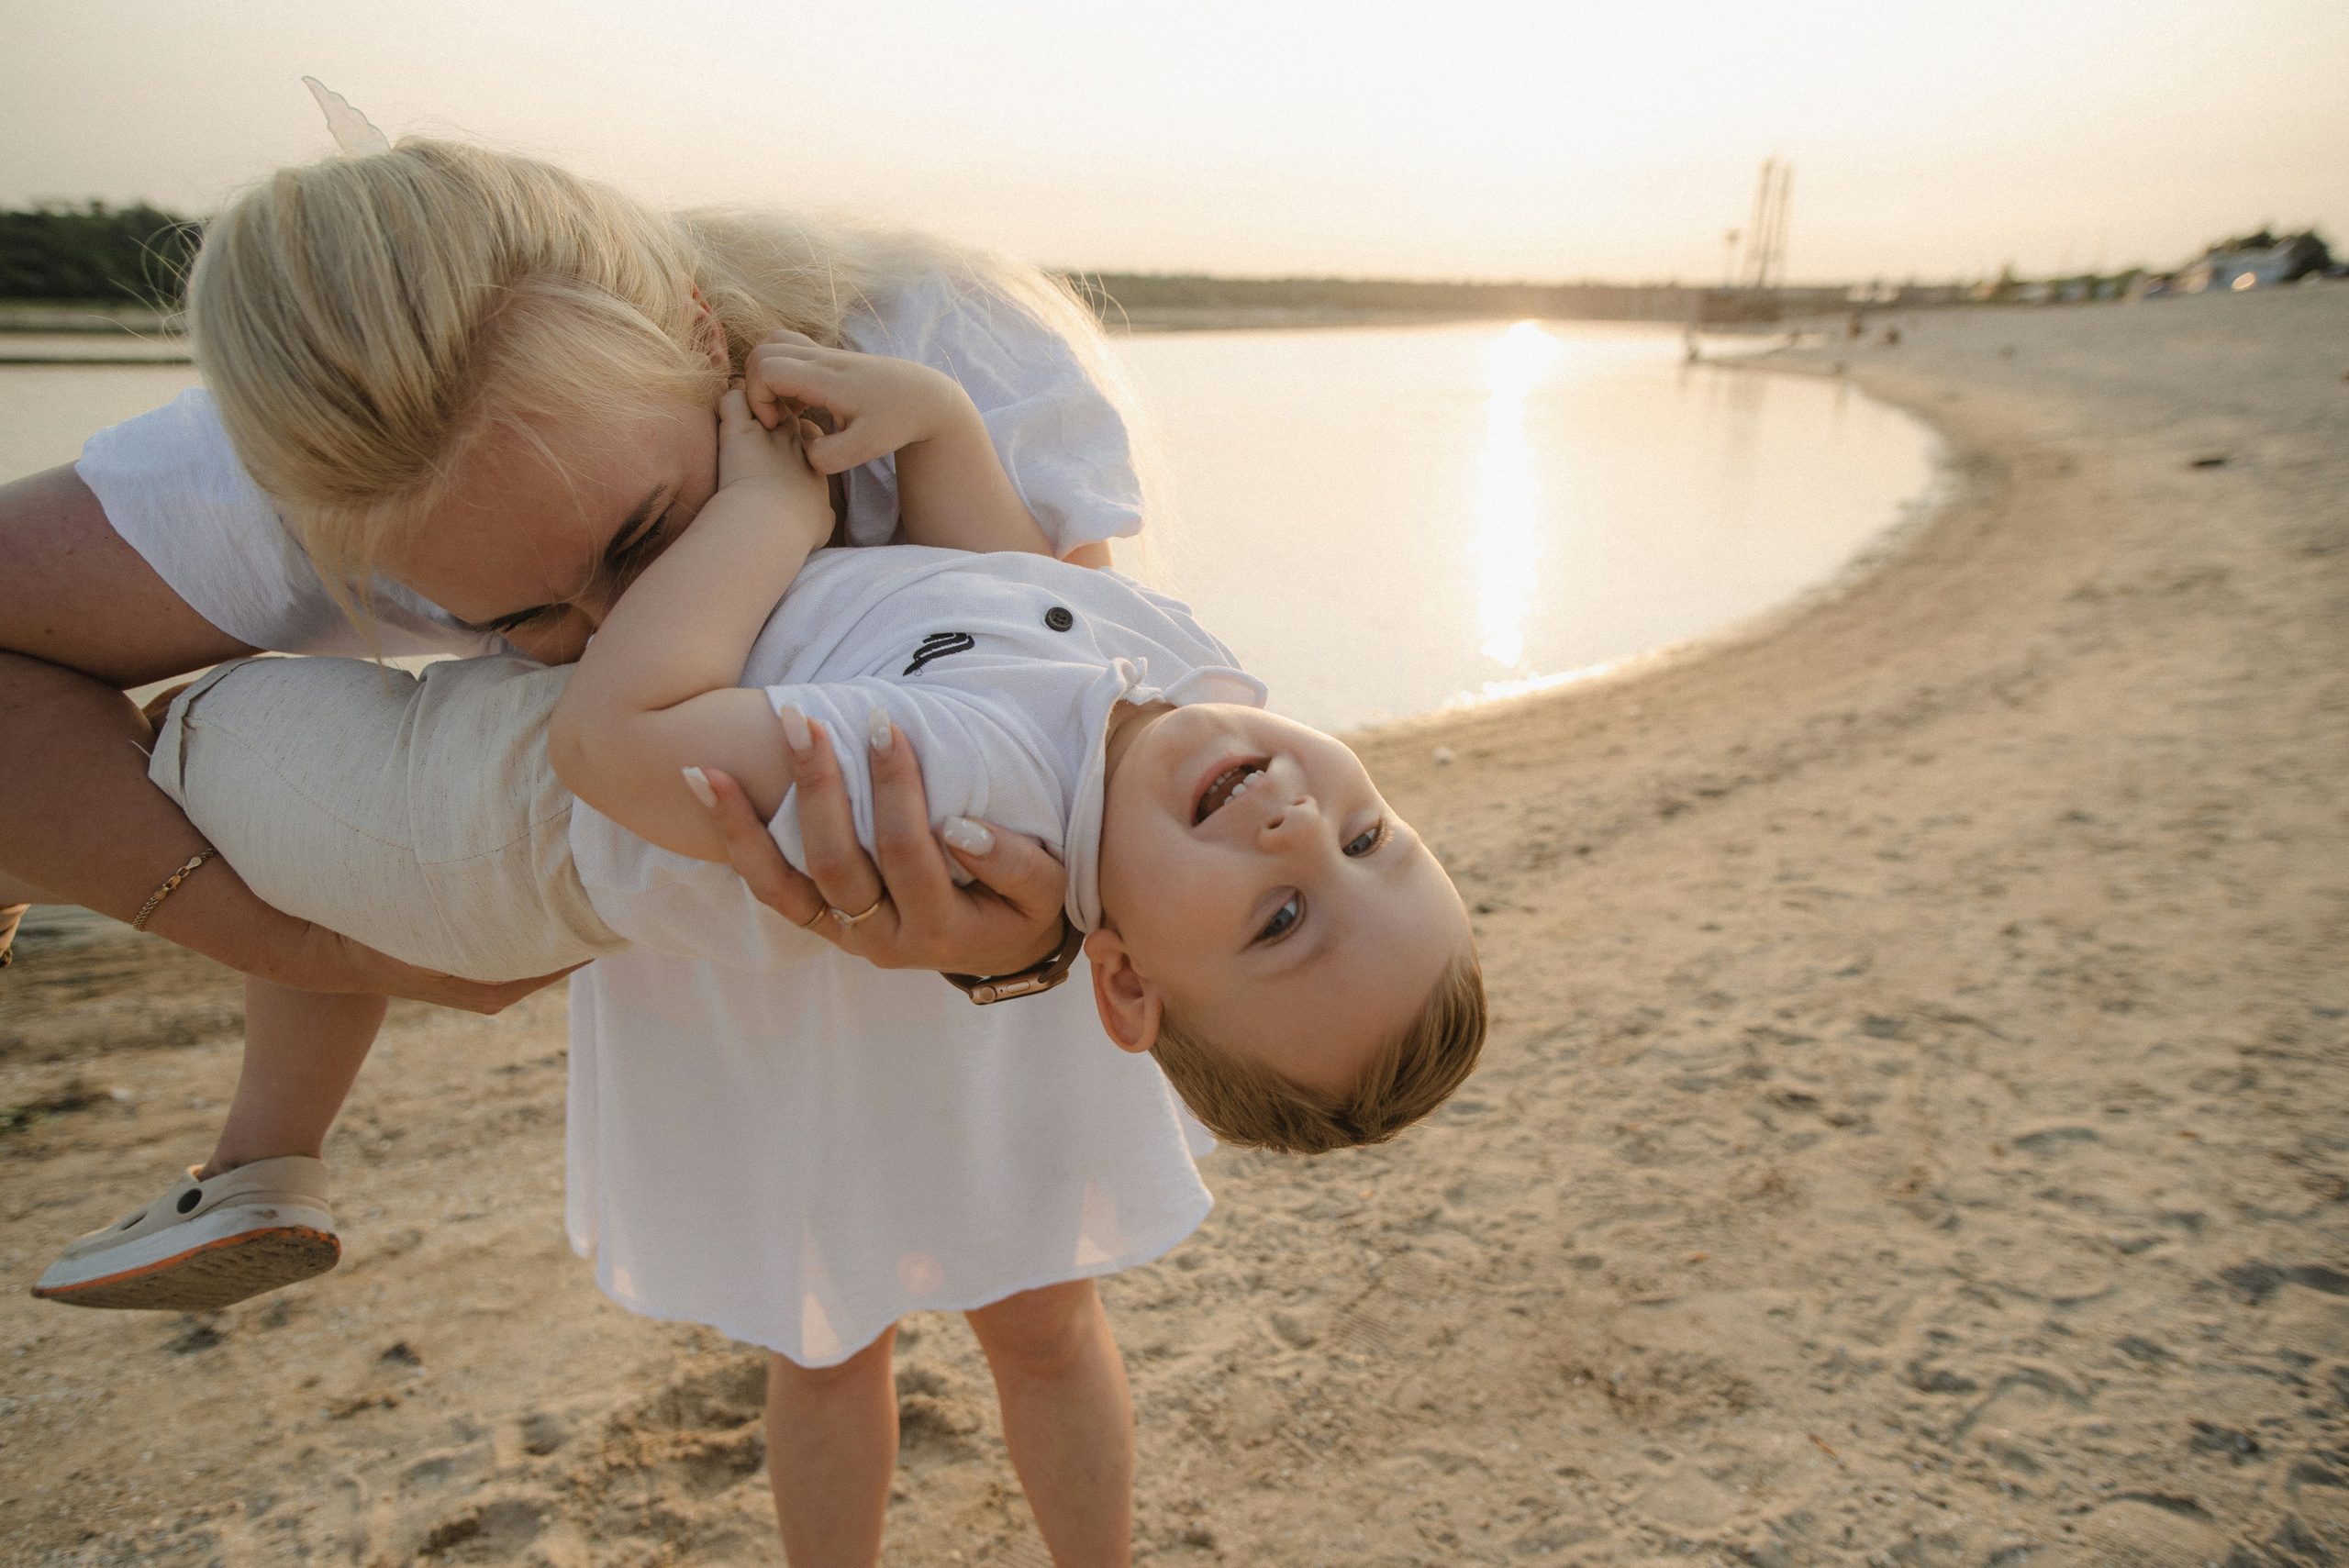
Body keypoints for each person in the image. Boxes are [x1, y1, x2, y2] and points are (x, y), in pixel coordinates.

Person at [0, 128, 1225, 1565]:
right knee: (814, 1331)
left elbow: (1073, 699)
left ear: (701, 338)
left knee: (1043, 1313)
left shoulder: (929, 349)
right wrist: (291, 934)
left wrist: (1030, 940)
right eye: (523, 621)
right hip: (712, 953)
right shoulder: (291, 459)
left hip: (955, 910)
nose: (610, 638)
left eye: (645, 534)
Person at [105, 344, 1485, 1165]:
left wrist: (768, 508)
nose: (1306, 830)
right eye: (1374, 839)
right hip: (532, 736)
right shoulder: (1159, 687)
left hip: (489, 823)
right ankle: (260, 1150)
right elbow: (984, 567)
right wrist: (935, 411)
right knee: (244, 712)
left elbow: (612, 740)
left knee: (194, 723)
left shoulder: (977, 790)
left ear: (1119, 978)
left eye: (1283, 916)